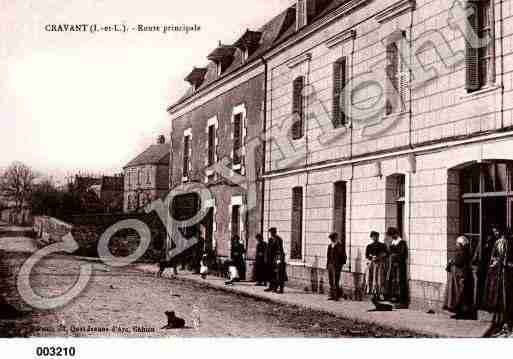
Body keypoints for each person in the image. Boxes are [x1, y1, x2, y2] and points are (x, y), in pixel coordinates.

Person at [483, 228, 513, 336]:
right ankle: (499, 322)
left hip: (506, 275)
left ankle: (506, 322)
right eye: (494, 231)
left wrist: (500, 262)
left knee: (506, 297)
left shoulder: (507, 243)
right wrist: (494, 262)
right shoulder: (497, 243)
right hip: (497, 275)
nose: (495, 233)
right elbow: (494, 256)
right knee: (498, 296)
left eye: (496, 231)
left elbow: (506, 259)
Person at [444, 236, 476, 320]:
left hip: (462, 276)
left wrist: (452, 261)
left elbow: (459, 262)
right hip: (459, 276)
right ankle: (459, 313)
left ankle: (463, 314)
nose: (456, 245)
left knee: (461, 295)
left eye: (458, 243)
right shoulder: (462, 251)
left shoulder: (464, 252)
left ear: (461, 244)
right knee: (458, 295)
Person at [386, 227, 409, 308]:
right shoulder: (393, 242)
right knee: (393, 282)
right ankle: (395, 299)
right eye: (391, 236)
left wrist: (395, 257)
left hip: (400, 266)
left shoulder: (402, 243)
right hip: (393, 265)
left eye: (393, 235)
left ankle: (402, 302)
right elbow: (389, 252)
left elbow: (403, 255)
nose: (392, 237)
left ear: (396, 234)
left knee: (400, 282)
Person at [365, 231, 388, 300]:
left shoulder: (383, 245)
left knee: (379, 279)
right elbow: (366, 255)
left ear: (378, 237)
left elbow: (386, 253)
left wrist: (381, 256)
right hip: (372, 264)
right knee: (371, 278)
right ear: (371, 237)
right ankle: (373, 293)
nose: (375, 238)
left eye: (376, 236)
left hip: (380, 264)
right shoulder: (369, 246)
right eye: (373, 236)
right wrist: (372, 257)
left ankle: (380, 293)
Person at [265, 228, 287, 294]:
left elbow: (280, 250)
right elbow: (268, 249)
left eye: (272, 232)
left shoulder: (278, 239)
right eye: (271, 232)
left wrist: (279, 259)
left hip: (278, 258)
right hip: (271, 259)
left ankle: (280, 289)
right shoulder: (270, 240)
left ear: (275, 232)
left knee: (279, 273)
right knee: (271, 273)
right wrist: (267, 258)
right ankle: (272, 287)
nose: (271, 234)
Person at [326, 232, 347, 301]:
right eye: (331, 238)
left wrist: (341, 264)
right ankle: (332, 295)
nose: (332, 239)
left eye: (333, 238)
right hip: (330, 265)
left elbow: (344, 256)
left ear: (336, 238)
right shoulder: (330, 246)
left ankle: (336, 296)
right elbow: (328, 256)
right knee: (331, 281)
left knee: (336, 281)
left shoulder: (339, 246)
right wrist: (328, 265)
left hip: (337, 265)